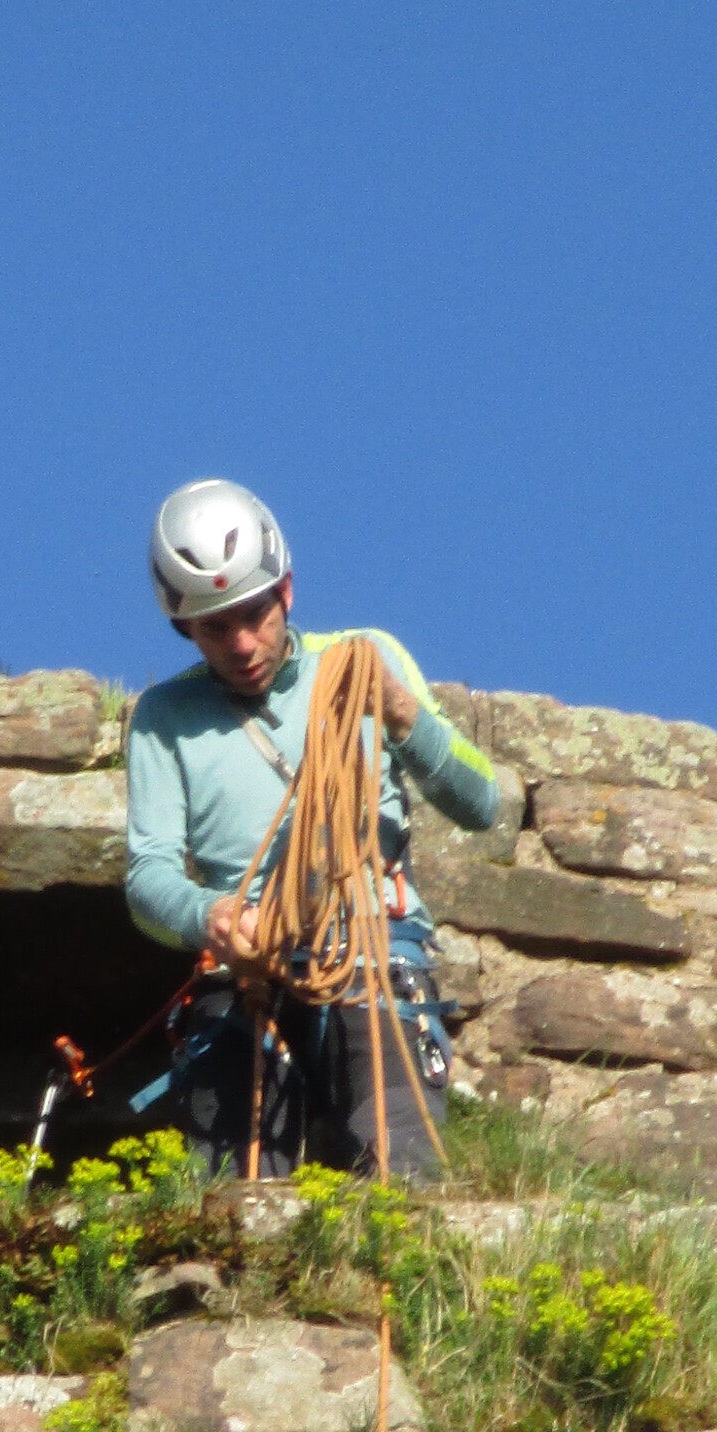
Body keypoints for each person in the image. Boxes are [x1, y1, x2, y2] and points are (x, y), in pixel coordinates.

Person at [125, 477, 500, 1178]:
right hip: (245, 972)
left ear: (287, 591)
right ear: (185, 630)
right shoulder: (163, 719)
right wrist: (210, 915)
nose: (242, 643)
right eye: (215, 627)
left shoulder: (365, 657)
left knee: (400, 1173)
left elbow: (482, 803)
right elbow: (147, 877)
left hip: (373, 951)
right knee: (230, 1198)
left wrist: (403, 715)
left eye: (255, 614)